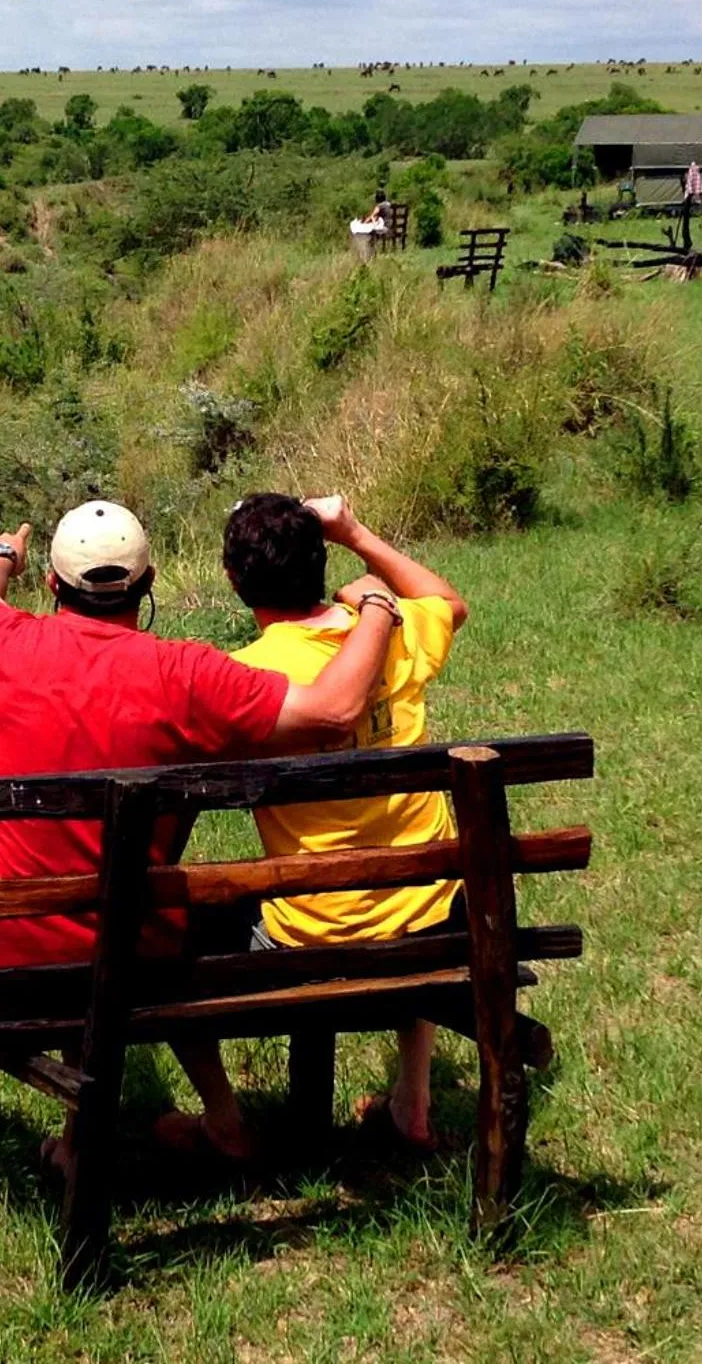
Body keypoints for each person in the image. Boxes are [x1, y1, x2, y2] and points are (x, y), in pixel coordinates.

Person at [0, 498, 401, 1160]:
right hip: (141, 945)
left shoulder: (4, 643)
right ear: (148, 584)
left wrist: (2, 555)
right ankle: (219, 1117)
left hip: (9, 942)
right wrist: (377, 608)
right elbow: (333, 709)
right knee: (146, 909)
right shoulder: (189, 675)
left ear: (55, 586)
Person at [160, 493, 469, 1159]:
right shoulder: (391, 631)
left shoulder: (244, 678)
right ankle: (411, 1102)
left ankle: (222, 1119)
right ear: (319, 563)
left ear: (235, 581)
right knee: (414, 854)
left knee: (157, 935)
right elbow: (450, 603)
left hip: (313, 933)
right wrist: (358, 532)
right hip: (430, 916)